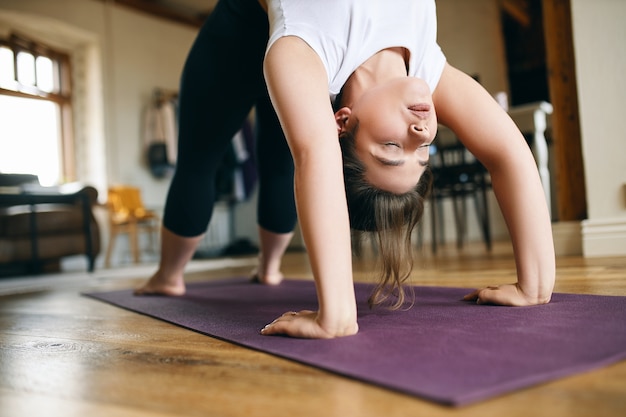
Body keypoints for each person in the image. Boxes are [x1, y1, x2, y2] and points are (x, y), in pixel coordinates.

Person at [136, 0, 556, 339]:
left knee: (207, 155)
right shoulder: (428, 68)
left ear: (343, 121)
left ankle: (173, 276)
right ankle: (255, 270)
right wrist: (534, 286)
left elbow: (316, 157)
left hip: (241, 20)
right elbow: (508, 151)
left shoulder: (300, 51)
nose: (421, 130)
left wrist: (335, 316)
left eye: (393, 148)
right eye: (423, 149)